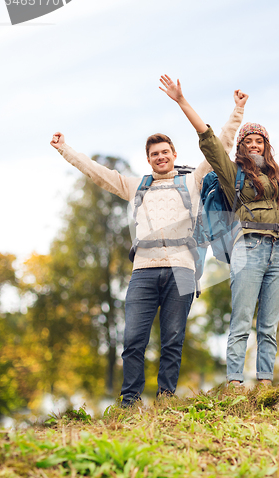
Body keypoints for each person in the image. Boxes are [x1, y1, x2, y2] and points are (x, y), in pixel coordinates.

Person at [50, 92, 247, 406]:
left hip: (182, 269)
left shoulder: (193, 180)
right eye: (155, 153)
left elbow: (219, 144)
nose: (161, 157)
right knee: (133, 339)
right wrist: (64, 149)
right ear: (149, 158)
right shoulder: (135, 186)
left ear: (173, 154)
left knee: (172, 339)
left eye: (165, 152)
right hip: (143, 271)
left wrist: (238, 109)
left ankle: (166, 399)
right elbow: (95, 172)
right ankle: (130, 401)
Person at [160, 74, 279, 386]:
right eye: (248, 141)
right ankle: (234, 384)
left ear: (266, 147)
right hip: (249, 248)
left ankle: (265, 384)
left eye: (259, 141)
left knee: (270, 324)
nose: (254, 144)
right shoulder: (233, 175)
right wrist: (181, 100)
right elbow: (209, 139)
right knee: (242, 319)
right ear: (242, 147)